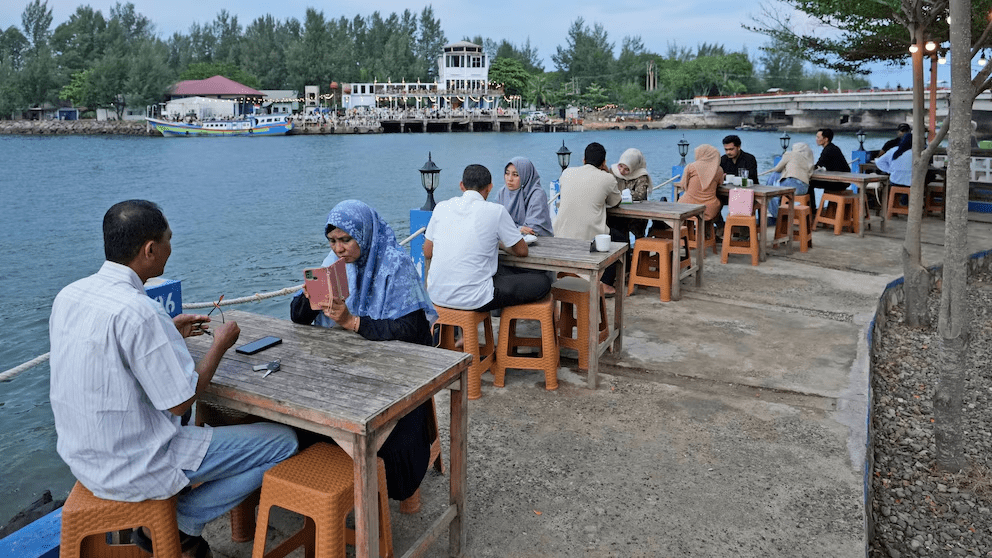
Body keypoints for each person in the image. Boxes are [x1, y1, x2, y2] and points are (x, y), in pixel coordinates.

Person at [49, 200, 299, 558]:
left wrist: (167, 331)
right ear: (150, 249)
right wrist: (220, 345)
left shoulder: (70, 295)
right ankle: (186, 520)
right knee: (284, 442)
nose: (171, 248)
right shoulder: (140, 312)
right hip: (138, 462)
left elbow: (110, 360)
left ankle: (178, 516)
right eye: (169, 240)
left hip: (86, 459)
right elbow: (181, 402)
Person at [290, 199, 438, 501]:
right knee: (302, 417)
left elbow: (411, 329)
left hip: (396, 374)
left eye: (346, 239)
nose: (338, 248)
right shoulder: (333, 265)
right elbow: (298, 318)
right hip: (347, 366)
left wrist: (352, 322)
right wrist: (308, 298)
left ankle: (377, 482)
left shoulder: (395, 265)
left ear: (364, 234)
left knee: (392, 446)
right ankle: (330, 476)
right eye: (332, 241)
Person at [424, 164, 552, 311]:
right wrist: (500, 244)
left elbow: (427, 252)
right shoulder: (496, 211)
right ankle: (512, 321)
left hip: (437, 295)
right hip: (474, 299)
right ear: (490, 187)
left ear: (461, 185)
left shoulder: (441, 207)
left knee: (498, 272)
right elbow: (522, 251)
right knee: (542, 281)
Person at [553, 142, 623, 294]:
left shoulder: (567, 173)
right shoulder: (607, 178)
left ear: (583, 159)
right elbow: (615, 202)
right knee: (620, 238)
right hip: (589, 241)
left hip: (561, 235)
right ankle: (605, 283)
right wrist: (607, 173)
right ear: (603, 162)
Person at [494, 156, 554, 237]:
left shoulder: (537, 195)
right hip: (508, 240)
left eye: (515, 175)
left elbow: (532, 229)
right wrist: (518, 229)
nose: (509, 179)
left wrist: (507, 228)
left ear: (525, 175)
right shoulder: (502, 192)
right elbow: (495, 222)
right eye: (507, 173)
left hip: (539, 241)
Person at [608, 148, 653, 239]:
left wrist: (620, 192)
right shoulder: (613, 171)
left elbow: (640, 195)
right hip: (617, 212)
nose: (621, 171)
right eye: (620, 166)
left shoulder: (641, 175)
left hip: (636, 214)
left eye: (626, 169)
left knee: (637, 230)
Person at [677, 144, 726, 224]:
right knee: (720, 201)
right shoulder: (718, 169)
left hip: (686, 206)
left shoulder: (690, 167)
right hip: (708, 209)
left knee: (682, 199)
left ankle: (685, 228)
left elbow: (683, 185)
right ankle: (714, 227)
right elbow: (720, 183)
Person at [766, 142, 815, 220]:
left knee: (774, 183)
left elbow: (777, 168)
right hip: (804, 189)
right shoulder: (808, 159)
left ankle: (775, 215)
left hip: (793, 187)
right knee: (777, 182)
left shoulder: (790, 154)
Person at [810, 128, 852, 194]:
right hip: (844, 180)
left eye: (818, 137)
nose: (816, 139)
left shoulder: (827, 150)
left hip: (838, 181)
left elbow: (818, 165)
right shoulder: (834, 147)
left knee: (809, 182)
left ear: (826, 139)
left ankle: (810, 201)